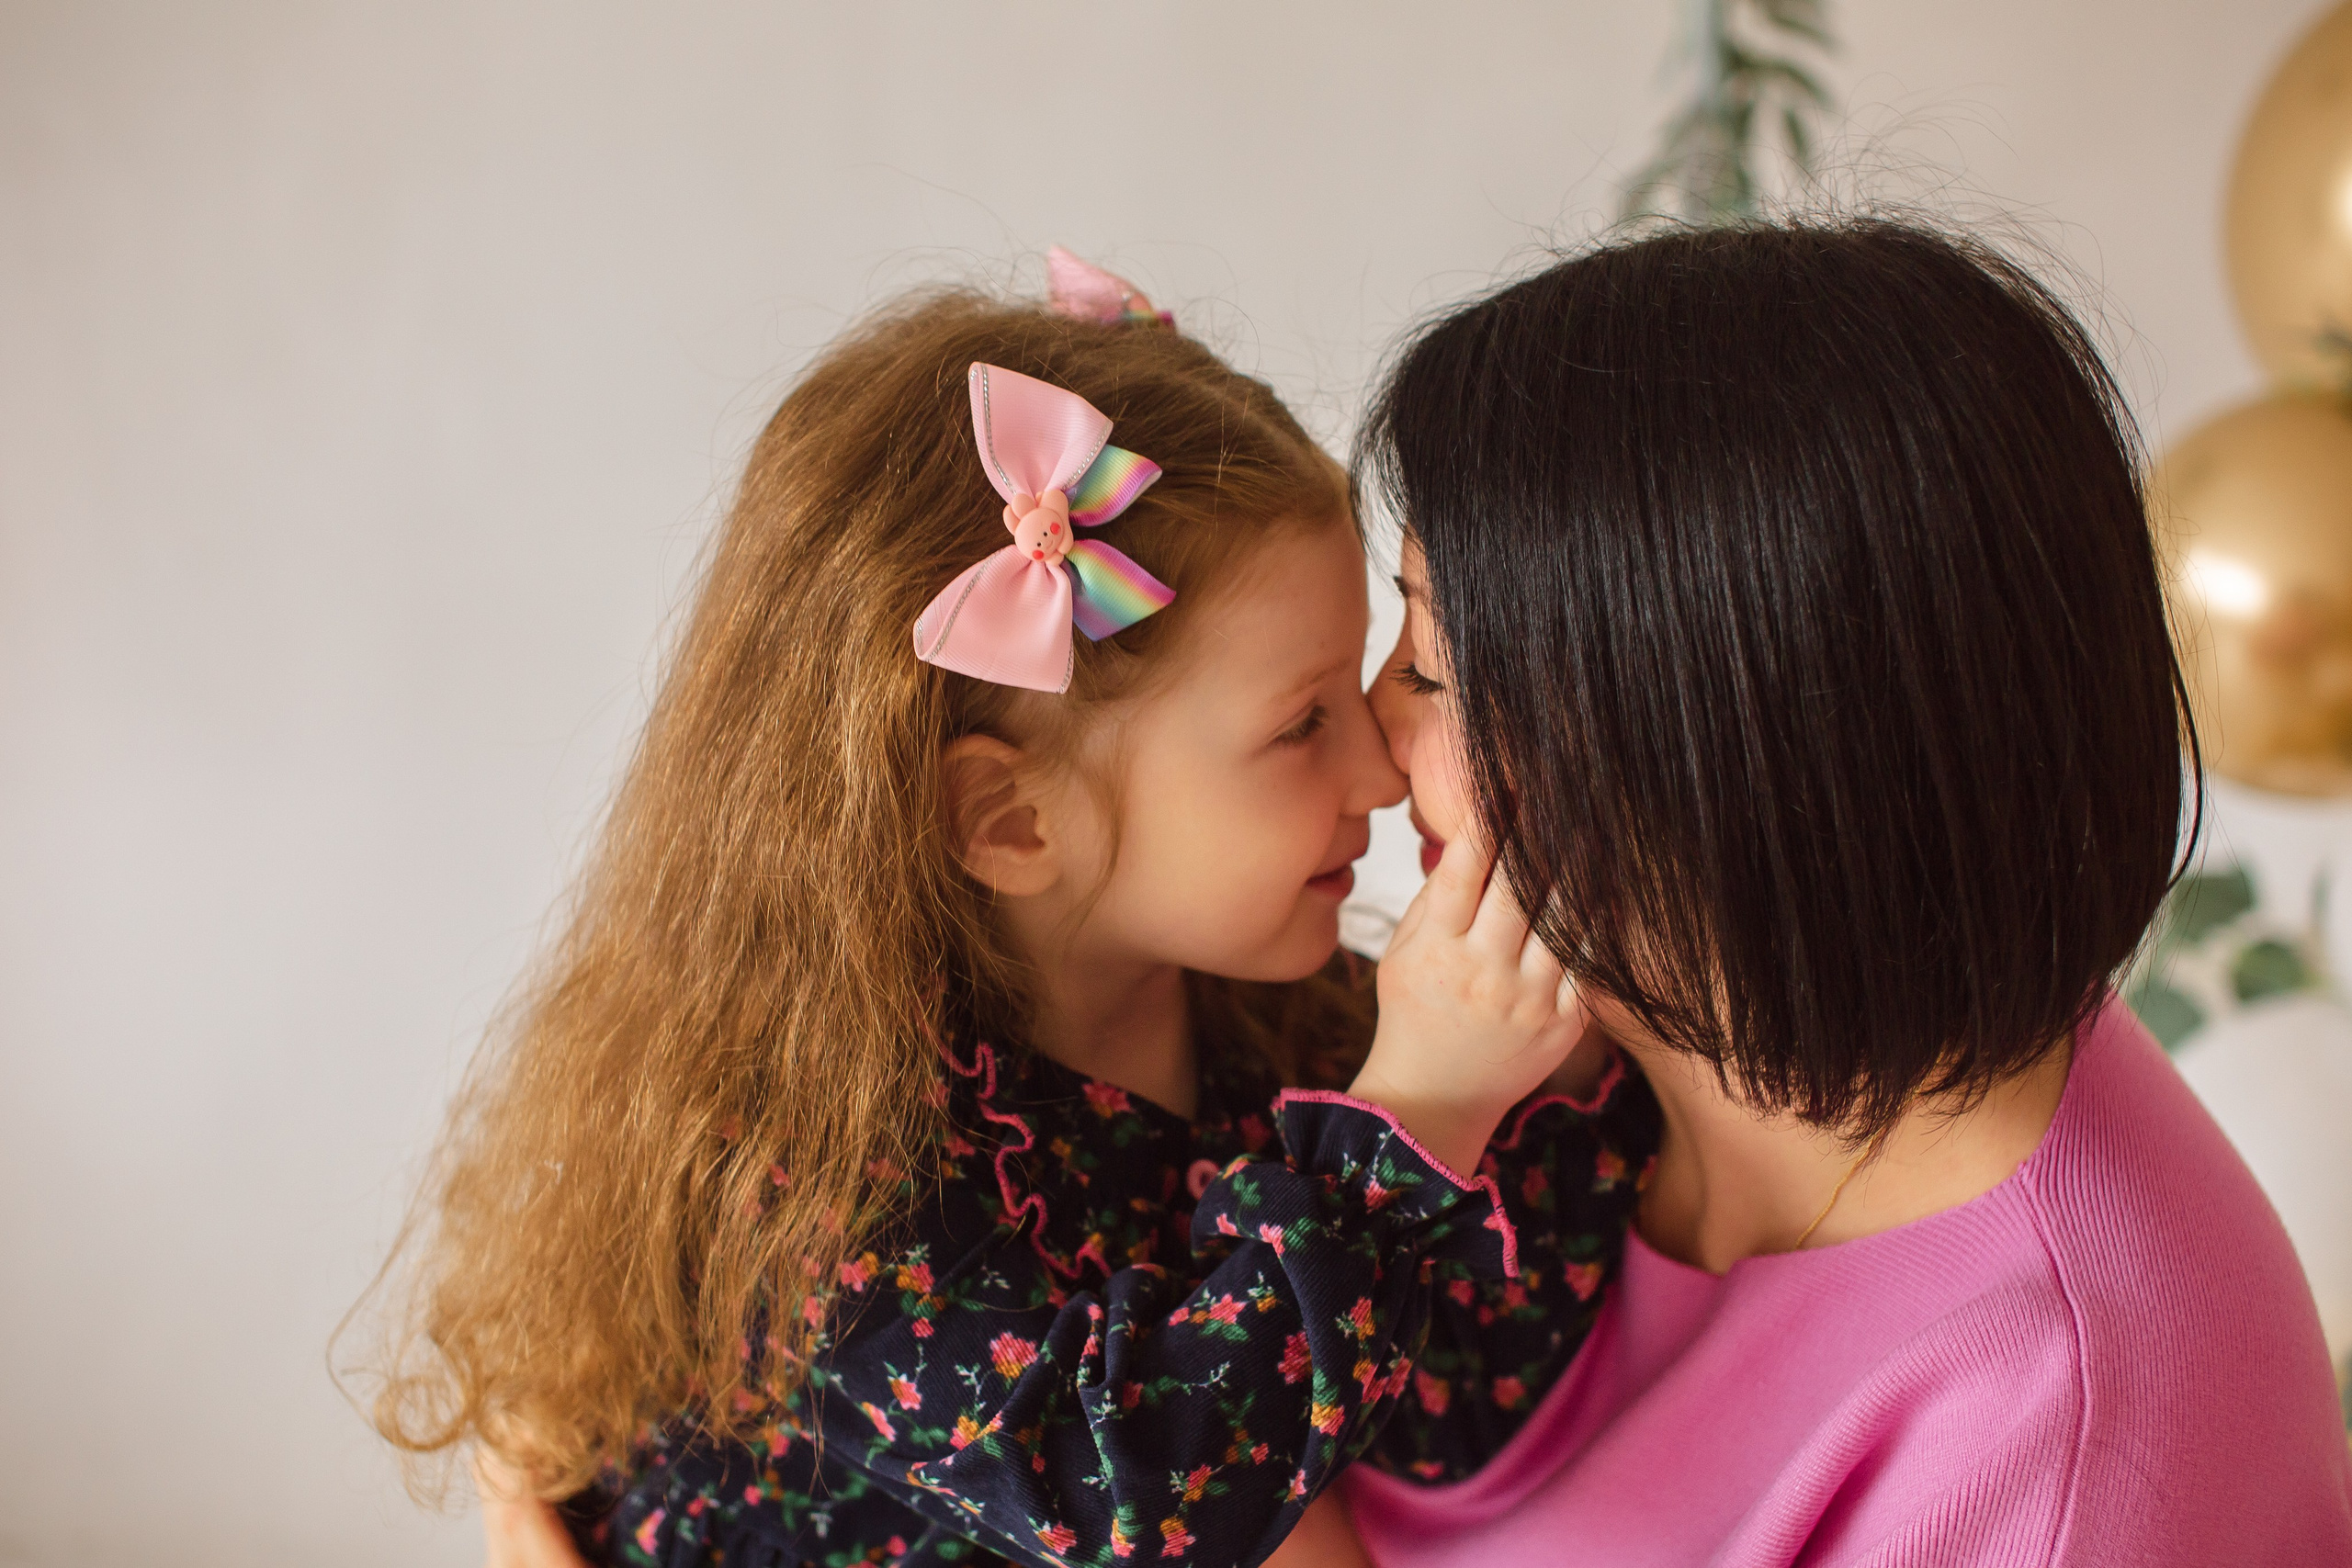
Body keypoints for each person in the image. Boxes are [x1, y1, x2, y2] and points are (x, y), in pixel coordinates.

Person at [363, 255, 1657, 1568]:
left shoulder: (1276, 1025)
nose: (1381, 772)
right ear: (1011, 822)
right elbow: (1125, 1501)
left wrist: (1569, 1056)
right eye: (1300, 725)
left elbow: (1442, 1413)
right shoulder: (806, 1161)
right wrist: (1414, 1130)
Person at [1329, 219, 2352, 1564]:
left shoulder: (2054, 1465)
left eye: (1431, 667)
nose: (1368, 749)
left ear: (1710, 761)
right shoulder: (1592, 1058)